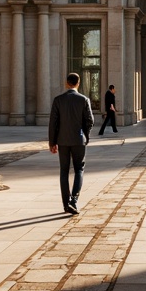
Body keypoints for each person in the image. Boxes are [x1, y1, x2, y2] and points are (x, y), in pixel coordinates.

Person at [49, 72, 94, 215]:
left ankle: (65, 204)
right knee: (79, 169)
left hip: (62, 141)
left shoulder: (58, 100)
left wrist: (52, 142)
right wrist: (85, 135)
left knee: (64, 170)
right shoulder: (84, 100)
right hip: (78, 140)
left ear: (66, 83)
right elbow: (90, 121)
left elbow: (53, 123)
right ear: (78, 83)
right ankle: (74, 200)